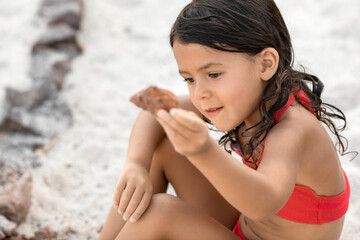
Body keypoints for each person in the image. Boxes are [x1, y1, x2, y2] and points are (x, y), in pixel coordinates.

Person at [98, 0, 354, 239]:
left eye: (214, 74)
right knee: (161, 148)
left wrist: (203, 150)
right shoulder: (251, 101)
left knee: (160, 211)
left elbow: (263, 203)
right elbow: (155, 113)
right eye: (189, 79)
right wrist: (135, 165)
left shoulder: (294, 131)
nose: (200, 93)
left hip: (255, 214)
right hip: (243, 227)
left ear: (265, 64)